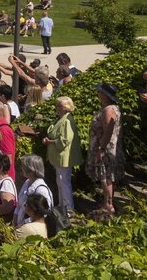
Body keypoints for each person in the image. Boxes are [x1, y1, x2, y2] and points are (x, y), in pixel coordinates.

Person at [88, 83, 124, 219]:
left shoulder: (108, 110)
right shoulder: (114, 108)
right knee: (108, 176)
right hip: (110, 147)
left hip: (106, 149)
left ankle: (108, 204)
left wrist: (101, 148)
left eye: (100, 92)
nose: (98, 94)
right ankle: (107, 202)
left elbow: (108, 130)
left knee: (106, 176)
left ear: (105, 95)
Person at [43, 96, 83, 213]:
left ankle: (68, 208)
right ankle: (62, 205)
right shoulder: (61, 118)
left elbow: (65, 140)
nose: (56, 108)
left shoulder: (66, 120)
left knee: (63, 182)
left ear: (64, 108)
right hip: (59, 156)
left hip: (63, 156)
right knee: (60, 181)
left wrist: (50, 142)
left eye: (58, 106)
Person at [13, 155, 54, 228]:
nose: (21, 168)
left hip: (32, 229)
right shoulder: (27, 182)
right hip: (21, 226)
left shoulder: (41, 190)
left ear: (31, 170)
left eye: (23, 166)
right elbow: (19, 204)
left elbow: (44, 214)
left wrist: (23, 224)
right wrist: (15, 218)